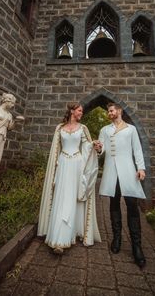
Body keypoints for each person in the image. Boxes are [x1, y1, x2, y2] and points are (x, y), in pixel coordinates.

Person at [38, 102, 101, 254]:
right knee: (61, 198)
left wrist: (95, 145)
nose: (81, 113)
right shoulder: (59, 128)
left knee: (73, 198)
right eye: (79, 110)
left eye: (81, 111)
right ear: (72, 111)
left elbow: (86, 146)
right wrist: (54, 168)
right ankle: (58, 239)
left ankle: (69, 234)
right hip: (64, 164)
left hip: (77, 165)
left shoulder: (83, 128)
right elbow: (56, 150)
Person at [94, 102, 146, 268]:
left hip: (129, 171)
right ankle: (117, 238)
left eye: (111, 110)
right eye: (108, 111)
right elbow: (101, 150)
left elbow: (137, 149)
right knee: (114, 203)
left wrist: (141, 168)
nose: (109, 113)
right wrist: (98, 147)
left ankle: (136, 246)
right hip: (111, 172)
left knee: (132, 205)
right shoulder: (104, 130)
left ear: (119, 111)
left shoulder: (131, 129)